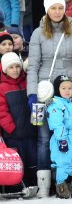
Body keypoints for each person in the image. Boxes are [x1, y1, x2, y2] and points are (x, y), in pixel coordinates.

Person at [27, 0, 72, 197]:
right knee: (44, 137)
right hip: (45, 88)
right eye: (53, 8)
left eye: (60, 8)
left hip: (70, 87)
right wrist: (32, 93)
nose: (57, 11)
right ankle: (44, 184)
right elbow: (33, 66)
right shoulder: (38, 33)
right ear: (47, 10)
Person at [0, 52, 37, 195]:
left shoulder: (27, 82)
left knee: (32, 159)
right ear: (5, 69)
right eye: (11, 67)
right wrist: (11, 128)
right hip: (14, 134)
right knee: (18, 161)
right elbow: (2, 111)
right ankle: (16, 187)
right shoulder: (2, 87)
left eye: (17, 66)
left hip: (30, 130)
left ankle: (34, 183)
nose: (15, 70)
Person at [47, 75, 72, 198]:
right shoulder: (56, 105)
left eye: (70, 88)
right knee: (63, 162)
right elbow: (57, 124)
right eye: (63, 88)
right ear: (57, 89)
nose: (67, 91)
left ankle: (69, 185)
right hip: (63, 138)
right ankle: (61, 188)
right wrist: (62, 140)